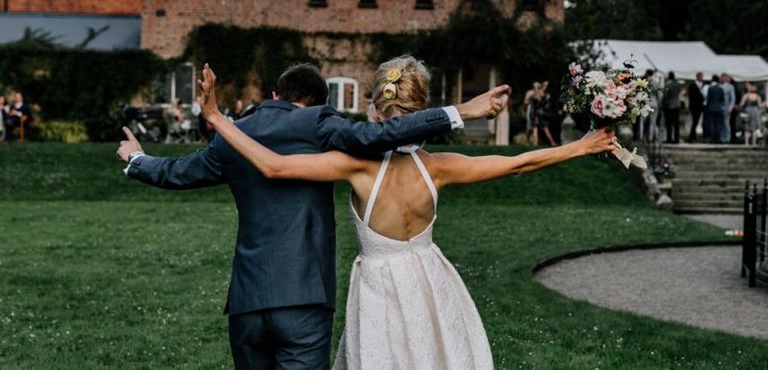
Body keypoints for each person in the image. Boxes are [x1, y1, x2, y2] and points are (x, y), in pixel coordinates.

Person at [196, 58, 616, 370]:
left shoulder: (355, 167)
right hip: (430, 282)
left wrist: (218, 118)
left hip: (378, 290)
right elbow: (520, 162)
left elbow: (273, 166)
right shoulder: (440, 168)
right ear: (420, 114)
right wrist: (581, 145)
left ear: (377, 113)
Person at [117, 62, 509, 370]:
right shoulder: (319, 123)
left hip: (247, 303)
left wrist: (137, 159)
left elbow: (175, 173)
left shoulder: (234, 138)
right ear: (320, 104)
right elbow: (382, 134)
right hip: (304, 300)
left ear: (274, 95)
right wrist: (462, 111)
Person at [530, 81, 556, 146]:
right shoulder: (538, 96)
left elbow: (535, 107)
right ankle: (536, 144)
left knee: (543, 129)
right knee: (537, 129)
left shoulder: (537, 97)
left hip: (537, 114)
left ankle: (551, 142)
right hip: (536, 114)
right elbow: (535, 107)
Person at [703, 74, 727, 143]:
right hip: (719, 107)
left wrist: (707, 107)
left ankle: (713, 139)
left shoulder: (710, 88)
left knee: (712, 124)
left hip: (711, 107)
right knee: (718, 124)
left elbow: (708, 99)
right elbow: (722, 99)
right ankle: (718, 138)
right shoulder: (721, 89)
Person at [662, 72, 682, 144]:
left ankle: (669, 138)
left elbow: (666, 96)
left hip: (669, 106)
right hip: (677, 105)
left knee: (669, 124)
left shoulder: (667, 85)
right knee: (676, 124)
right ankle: (676, 139)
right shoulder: (677, 84)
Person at [687, 72, 705, 141]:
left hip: (700, 106)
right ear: (697, 77)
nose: (702, 78)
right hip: (694, 106)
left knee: (696, 121)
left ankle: (693, 136)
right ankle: (691, 136)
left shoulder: (703, 85)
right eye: (701, 77)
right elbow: (691, 96)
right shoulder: (692, 86)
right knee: (695, 121)